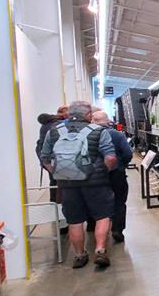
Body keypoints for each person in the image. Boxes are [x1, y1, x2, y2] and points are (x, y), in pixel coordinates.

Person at [40, 101, 118, 268]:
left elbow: (44, 157)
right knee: (102, 216)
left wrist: (58, 173)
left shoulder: (54, 131)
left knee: (74, 220)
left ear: (69, 114)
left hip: (67, 184)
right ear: (89, 115)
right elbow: (111, 157)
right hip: (96, 183)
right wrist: (104, 170)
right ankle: (100, 250)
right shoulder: (99, 131)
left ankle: (79, 255)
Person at [92, 111, 132, 243]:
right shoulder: (117, 134)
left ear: (93, 121)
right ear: (107, 120)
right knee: (119, 201)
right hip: (116, 172)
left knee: (97, 201)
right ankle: (117, 229)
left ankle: (93, 227)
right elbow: (127, 154)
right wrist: (122, 165)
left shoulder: (88, 135)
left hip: (95, 174)